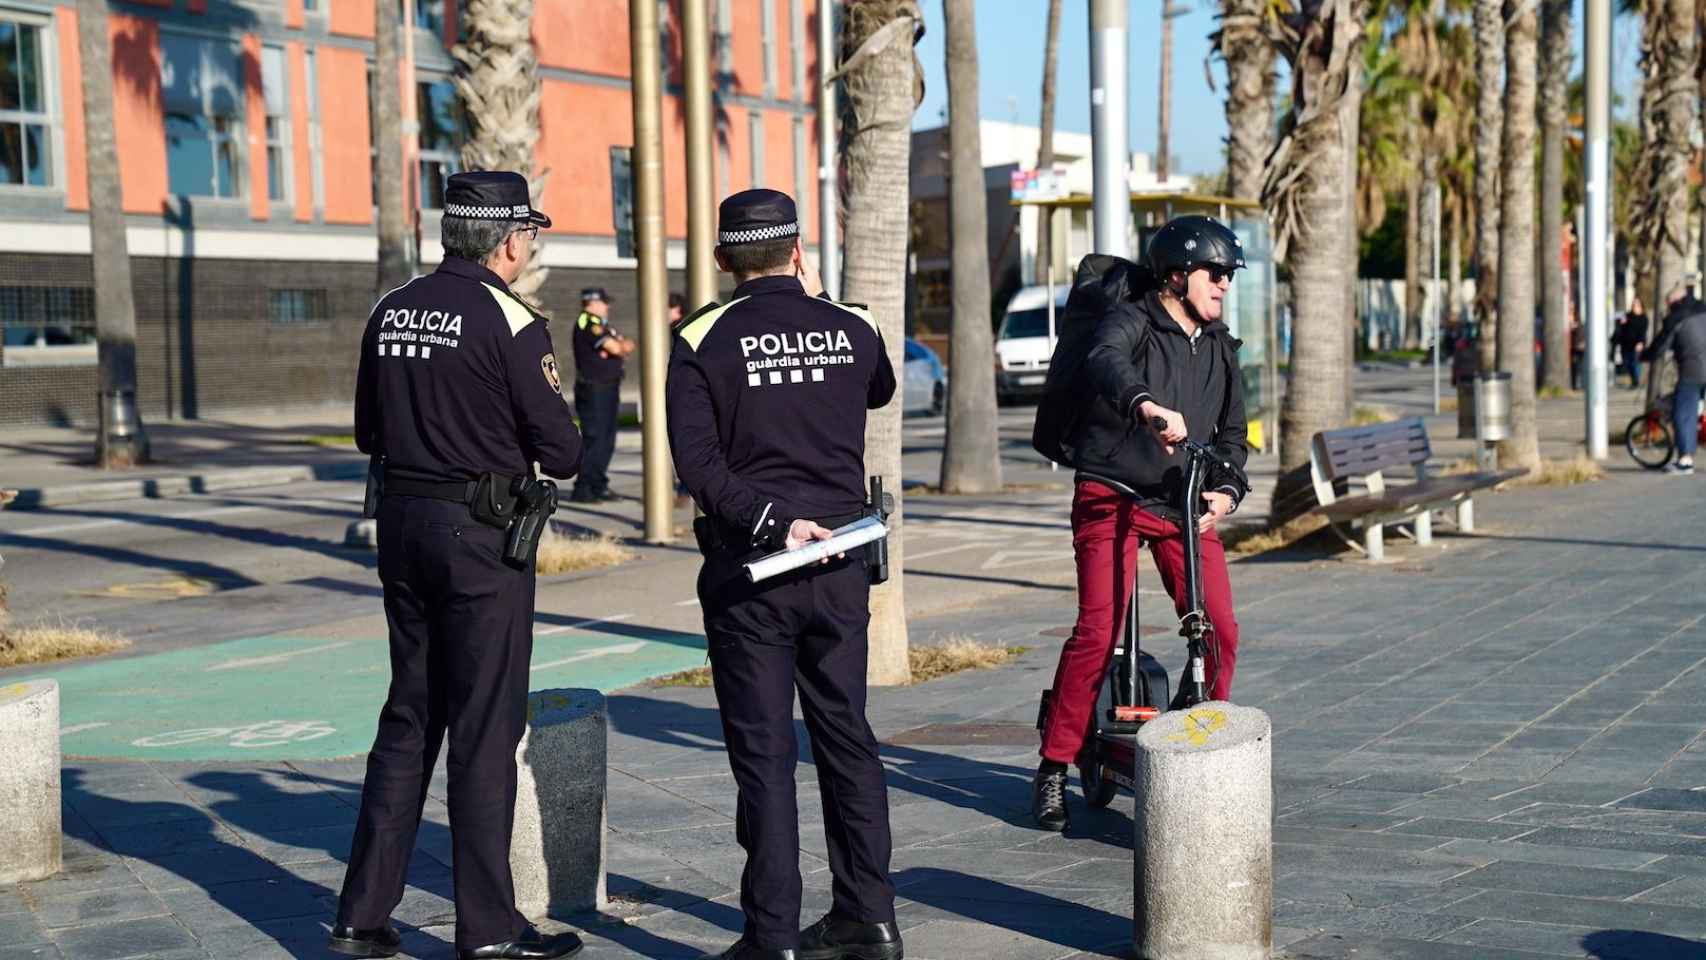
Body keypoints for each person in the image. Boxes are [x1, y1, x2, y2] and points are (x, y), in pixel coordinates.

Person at [335, 171, 585, 960]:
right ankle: (487, 930)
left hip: (403, 523)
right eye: (530, 236)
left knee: (409, 717)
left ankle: (361, 917)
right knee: (483, 728)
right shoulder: (509, 319)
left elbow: (366, 428)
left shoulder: (393, 307)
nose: (530, 247)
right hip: (481, 537)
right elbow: (565, 450)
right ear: (510, 240)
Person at [666, 188, 901, 960]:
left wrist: (768, 519)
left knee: (765, 758)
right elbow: (880, 387)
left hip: (752, 568)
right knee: (848, 741)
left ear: (724, 260)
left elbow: (697, 465)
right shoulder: (853, 324)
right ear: (799, 249)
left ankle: (772, 937)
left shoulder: (701, 336)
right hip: (840, 562)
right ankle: (868, 917)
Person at [1032, 215, 1251, 832]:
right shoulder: (1131, 321)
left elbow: (1233, 437)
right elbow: (1105, 361)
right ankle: (1053, 766)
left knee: (1221, 630)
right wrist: (1146, 406)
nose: (1223, 286)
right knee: (1098, 631)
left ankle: (1198, 737)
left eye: (1229, 276)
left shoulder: (1220, 348)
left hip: (1180, 505)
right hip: (1112, 494)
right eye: (1215, 274)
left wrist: (1227, 493)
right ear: (1178, 275)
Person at [569, 287, 634, 503]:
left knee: (607, 439)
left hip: (607, 387)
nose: (608, 306)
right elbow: (616, 347)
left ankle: (598, 484)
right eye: (604, 302)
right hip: (594, 389)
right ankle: (584, 488)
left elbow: (627, 344)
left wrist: (620, 347)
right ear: (593, 303)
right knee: (595, 438)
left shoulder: (603, 325)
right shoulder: (588, 323)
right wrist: (618, 348)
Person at [1644, 283, 1706, 476]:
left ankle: (1685, 460)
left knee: (1683, 412)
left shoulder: (1676, 317)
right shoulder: (1702, 307)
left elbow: (1661, 345)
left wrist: (1646, 356)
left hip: (1693, 369)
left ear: (1672, 302)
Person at [1617, 296, 1649, 389]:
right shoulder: (1627, 315)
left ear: (1640, 305)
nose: (1635, 306)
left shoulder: (1643, 317)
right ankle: (1633, 380)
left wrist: (1640, 342)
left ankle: (1636, 382)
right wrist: (1622, 323)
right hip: (1626, 344)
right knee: (1627, 363)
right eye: (1633, 304)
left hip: (1637, 344)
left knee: (1635, 363)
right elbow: (1622, 329)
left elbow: (1643, 331)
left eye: (1636, 304)